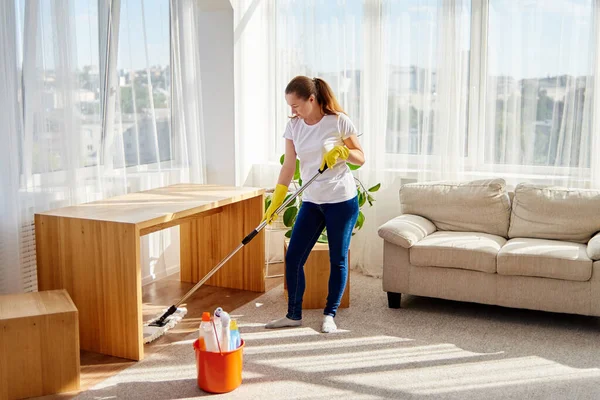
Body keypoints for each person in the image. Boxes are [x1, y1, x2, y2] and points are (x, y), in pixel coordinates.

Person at [263, 76, 365, 333]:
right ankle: (293, 314)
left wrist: (344, 152)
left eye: (296, 105)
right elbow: (289, 166)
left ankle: (329, 314)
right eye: (289, 106)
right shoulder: (294, 127)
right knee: (295, 256)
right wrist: (278, 197)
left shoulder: (338, 121)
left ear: (312, 99)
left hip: (341, 200)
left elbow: (360, 158)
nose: (292, 111)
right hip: (311, 201)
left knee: (337, 258)